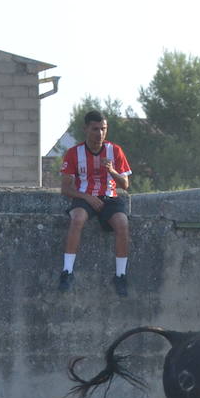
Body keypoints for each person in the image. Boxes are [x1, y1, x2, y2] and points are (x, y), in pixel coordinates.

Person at [58, 110, 133, 295]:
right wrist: (86, 197)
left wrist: (112, 171)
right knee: (77, 219)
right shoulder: (74, 153)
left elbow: (125, 185)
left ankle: (120, 275)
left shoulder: (115, 151)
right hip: (84, 197)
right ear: (86, 129)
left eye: (103, 129)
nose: (99, 133)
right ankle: (67, 271)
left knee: (122, 224)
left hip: (110, 198)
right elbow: (65, 189)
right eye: (95, 129)